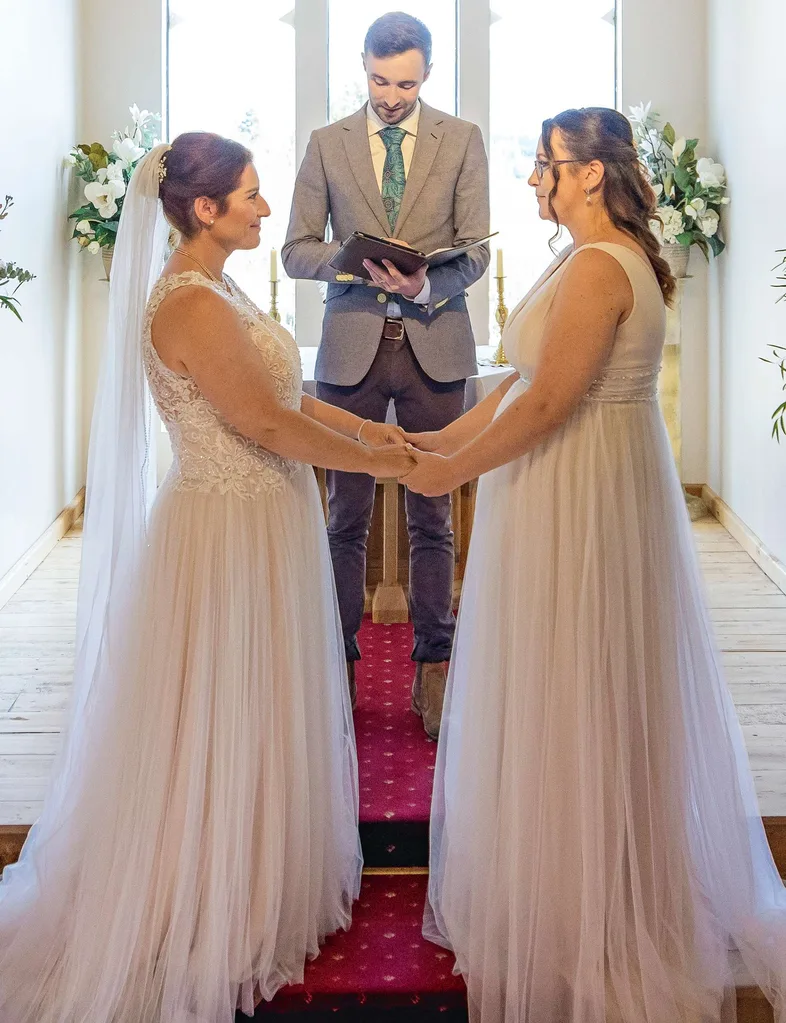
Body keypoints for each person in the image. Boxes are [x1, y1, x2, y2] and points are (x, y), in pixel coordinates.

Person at [0, 133, 413, 1023]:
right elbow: (263, 422)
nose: (269, 209)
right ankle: (204, 892)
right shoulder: (188, 302)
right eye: (253, 195)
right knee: (220, 705)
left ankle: (261, 870)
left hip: (260, 520)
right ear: (204, 209)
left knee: (259, 702)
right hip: (227, 533)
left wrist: (371, 434)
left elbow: (283, 397)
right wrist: (378, 467)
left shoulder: (220, 286)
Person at [402, 108, 786, 1022]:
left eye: (548, 165)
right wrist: (425, 442)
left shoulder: (601, 266)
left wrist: (445, 470)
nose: (536, 178)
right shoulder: (589, 258)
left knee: (579, 685)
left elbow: (546, 408)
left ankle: (590, 915)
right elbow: (518, 389)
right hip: (573, 491)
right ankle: (571, 885)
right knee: (572, 685)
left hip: (580, 501)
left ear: (592, 174)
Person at [282, 12, 490, 737]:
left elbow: (475, 253)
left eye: (404, 82)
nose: (391, 95)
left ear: (427, 71)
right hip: (349, 346)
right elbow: (293, 250)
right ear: (362, 67)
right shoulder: (326, 144)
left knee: (434, 512)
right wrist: (353, 256)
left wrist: (423, 286)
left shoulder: (462, 141)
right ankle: (336, 665)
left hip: (437, 340)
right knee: (345, 516)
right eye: (378, 80)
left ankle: (434, 668)